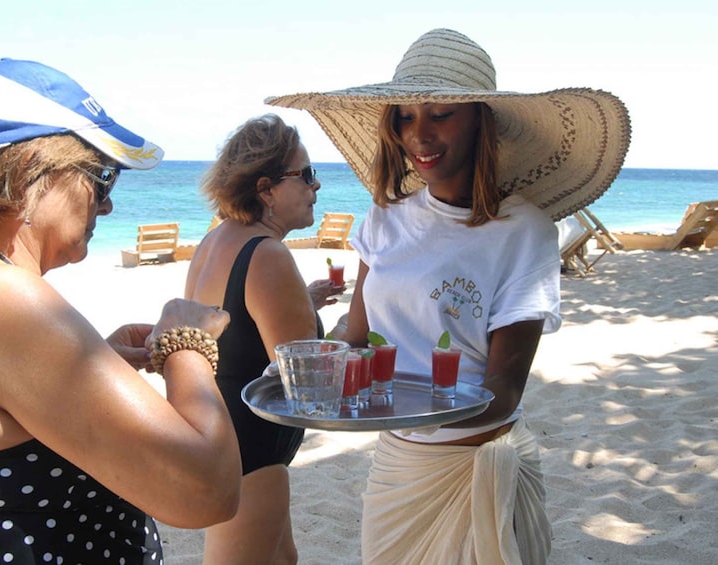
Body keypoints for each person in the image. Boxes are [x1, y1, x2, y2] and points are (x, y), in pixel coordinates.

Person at [267, 29, 630, 563]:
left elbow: (503, 389)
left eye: (441, 114)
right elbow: (357, 336)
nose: (420, 135)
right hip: (397, 471)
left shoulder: (524, 231)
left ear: (482, 119)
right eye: (407, 117)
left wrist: (402, 409)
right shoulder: (384, 219)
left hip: (477, 467)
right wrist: (303, 372)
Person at [0, 58, 242, 564]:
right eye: (102, 177)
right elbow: (209, 490)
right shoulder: (0, 300)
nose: (106, 206)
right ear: (32, 174)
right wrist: (188, 346)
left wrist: (96, 362)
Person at [184, 114, 342, 564]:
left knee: (282, 558)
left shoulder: (215, 242)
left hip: (219, 442)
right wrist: (351, 335)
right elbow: (306, 381)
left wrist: (304, 301)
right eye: (307, 175)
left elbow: (237, 332)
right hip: (253, 454)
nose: (316, 187)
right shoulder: (267, 254)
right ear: (267, 189)